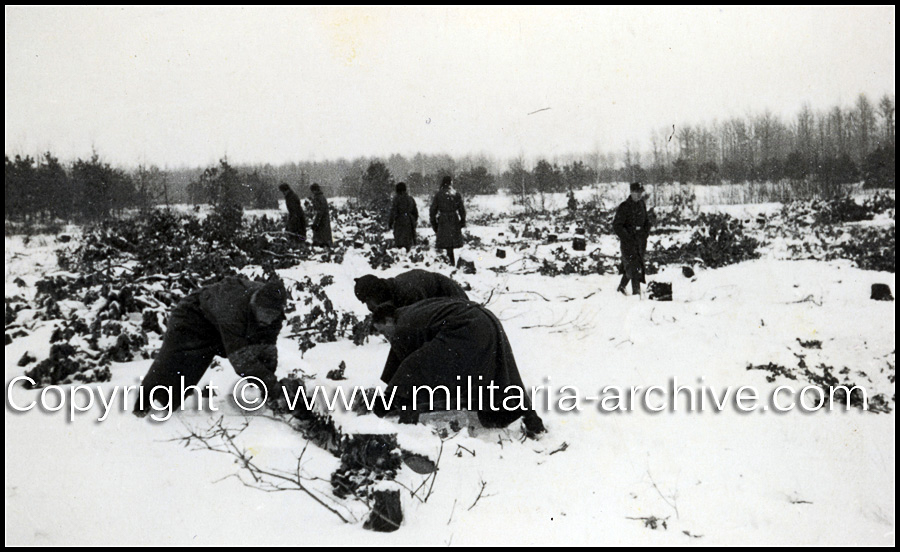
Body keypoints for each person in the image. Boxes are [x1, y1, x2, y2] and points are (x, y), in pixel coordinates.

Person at [369, 298, 546, 438]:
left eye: (383, 331)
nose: (386, 337)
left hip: (468, 325)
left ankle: (405, 426)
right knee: (505, 370)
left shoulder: (403, 326)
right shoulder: (410, 313)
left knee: (415, 368)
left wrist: (384, 403)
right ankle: (532, 421)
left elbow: (409, 366)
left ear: (388, 320)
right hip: (486, 319)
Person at [132, 276, 287, 417]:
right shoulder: (232, 309)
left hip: (215, 324)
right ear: (255, 303)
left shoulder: (274, 317)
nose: (267, 319)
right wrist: (273, 388)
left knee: (195, 368)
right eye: (263, 313)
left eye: (271, 315)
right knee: (175, 362)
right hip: (191, 316)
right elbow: (241, 360)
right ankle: (144, 409)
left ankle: (162, 405)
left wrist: (270, 389)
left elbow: (266, 348)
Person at [353, 269, 469, 312]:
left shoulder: (408, 293)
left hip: (453, 299)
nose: (369, 306)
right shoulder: (393, 289)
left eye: (368, 300)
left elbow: (420, 324)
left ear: (376, 293)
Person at [613, 182, 651, 296]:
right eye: (636, 192)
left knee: (633, 266)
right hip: (628, 243)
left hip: (640, 242)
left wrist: (645, 233)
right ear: (631, 192)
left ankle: (621, 288)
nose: (639, 195)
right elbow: (617, 225)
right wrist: (627, 237)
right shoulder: (624, 207)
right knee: (634, 267)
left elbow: (647, 222)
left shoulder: (641, 205)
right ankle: (636, 294)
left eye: (640, 192)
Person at [429, 176, 466, 266]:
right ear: (451, 183)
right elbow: (462, 209)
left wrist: (434, 223)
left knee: (446, 243)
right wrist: (462, 220)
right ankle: (450, 261)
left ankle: (448, 262)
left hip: (443, 220)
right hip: (453, 219)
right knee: (451, 243)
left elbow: (432, 210)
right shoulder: (456, 194)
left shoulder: (439, 194)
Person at [388, 182, 418, 250]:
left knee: (400, 241)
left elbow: (393, 212)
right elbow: (415, 213)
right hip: (410, 221)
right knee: (408, 241)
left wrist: (390, 222)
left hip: (400, 221)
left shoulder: (397, 199)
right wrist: (413, 221)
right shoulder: (410, 199)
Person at [309, 183, 333, 247]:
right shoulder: (322, 197)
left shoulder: (317, 198)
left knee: (320, 240)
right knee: (325, 238)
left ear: (314, 190)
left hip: (320, 222)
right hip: (324, 221)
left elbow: (318, 212)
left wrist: (316, 223)